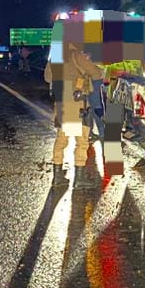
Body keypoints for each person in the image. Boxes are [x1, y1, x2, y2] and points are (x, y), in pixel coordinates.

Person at [44, 23, 103, 181]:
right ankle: (79, 179)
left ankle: (57, 177)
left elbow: (47, 77)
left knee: (61, 139)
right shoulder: (78, 55)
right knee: (81, 141)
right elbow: (96, 74)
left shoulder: (56, 55)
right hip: (77, 104)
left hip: (62, 103)